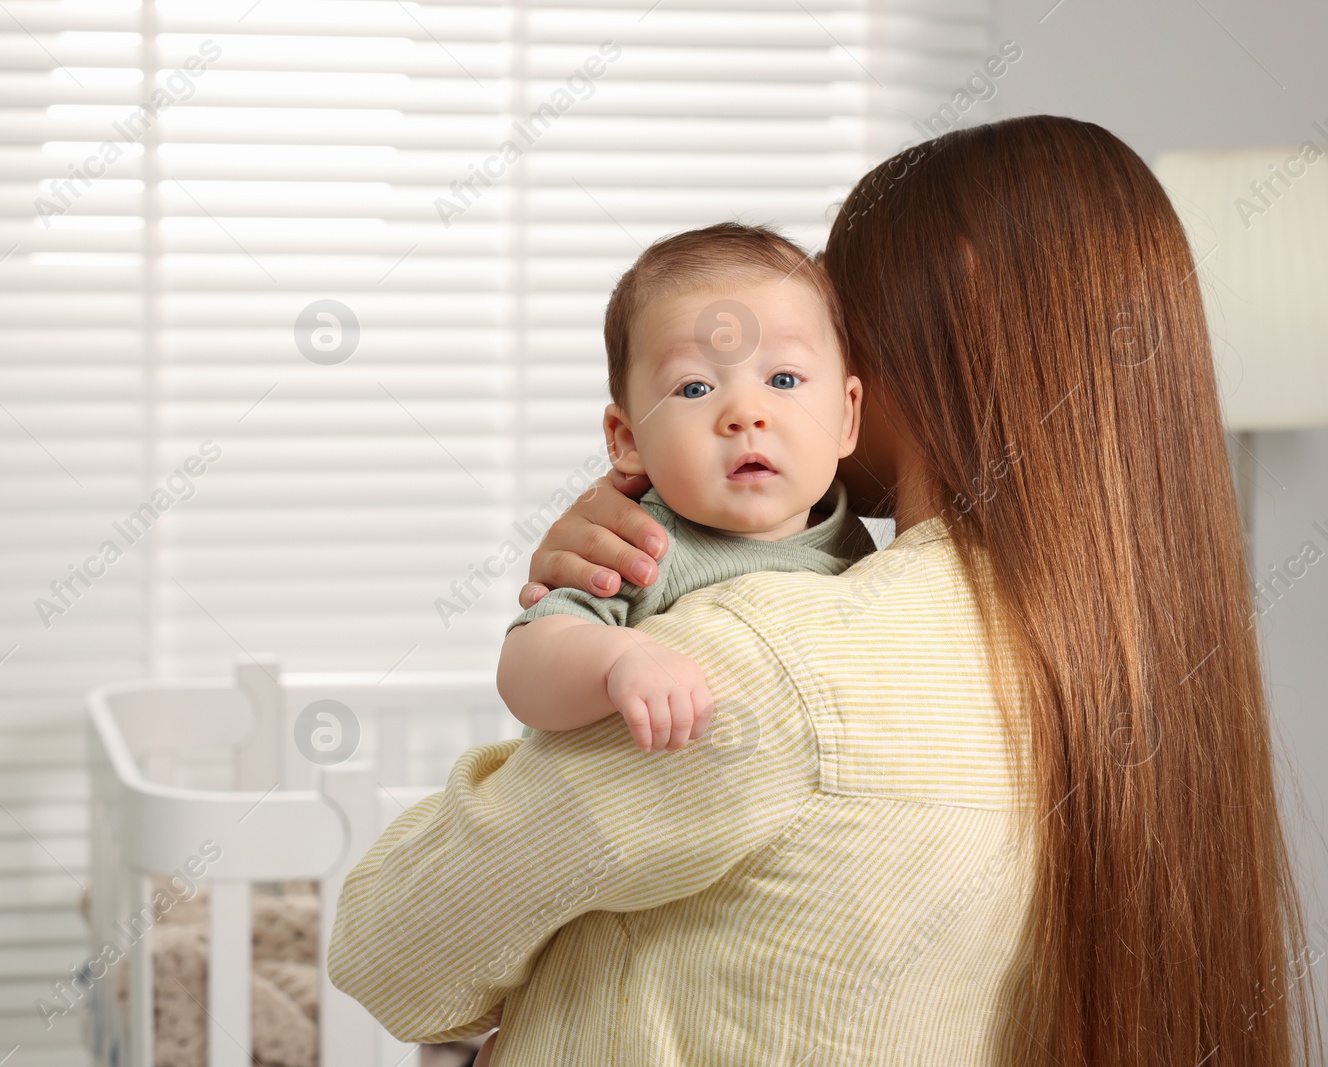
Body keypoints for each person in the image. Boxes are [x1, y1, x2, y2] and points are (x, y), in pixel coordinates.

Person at [327, 115, 1321, 1065]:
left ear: (908, 352)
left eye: (828, 333)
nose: (751, 407)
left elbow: (392, 951)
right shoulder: (1144, 674)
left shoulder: (763, 664)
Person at [498, 222, 875, 753]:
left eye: (783, 380)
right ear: (627, 439)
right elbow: (523, 667)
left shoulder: (864, 547)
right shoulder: (642, 546)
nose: (746, 413)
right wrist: (621, 658)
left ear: (845, 416)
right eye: (694, 387)